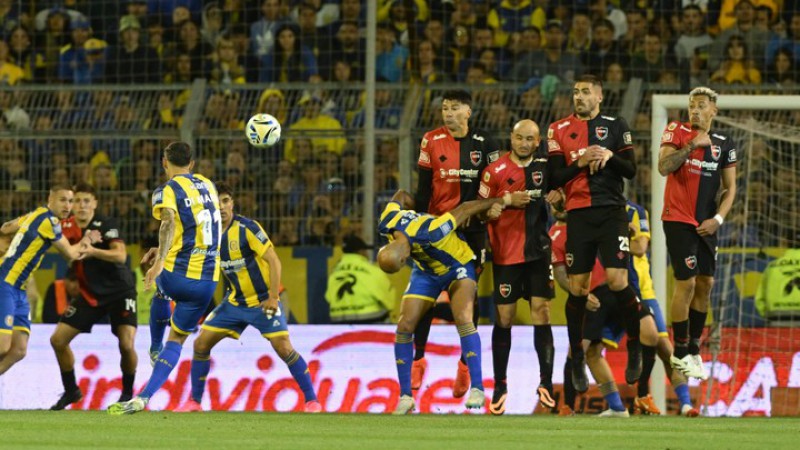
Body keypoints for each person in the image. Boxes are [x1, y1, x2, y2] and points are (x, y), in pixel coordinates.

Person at [174, 183, 320, 413]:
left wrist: (273, 297)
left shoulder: (247, 228)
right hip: (234, 303)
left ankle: (312, 401)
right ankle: (194, 402)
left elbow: (274, 260)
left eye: (225, 201)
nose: (221, 207)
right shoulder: (206, 234)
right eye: (216, 202)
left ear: (232, 203)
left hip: (263, 301)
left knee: (283, 347)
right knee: (201, 344)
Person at [108, 141, 221, 415]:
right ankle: (144, 397)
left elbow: (169, 221)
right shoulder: (208, 184)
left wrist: (159, 261)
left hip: (178, 275)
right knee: (178, 340)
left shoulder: (166, 190)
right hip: (208, 283)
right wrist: (165, 250)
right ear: (192, 164)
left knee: (162, 287)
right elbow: (196, 225)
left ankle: (154, 346)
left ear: (164, 162)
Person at [546, 74, 641, 394]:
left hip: (612, 212)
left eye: (586, 92)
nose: (579, 97)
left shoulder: (616, 125)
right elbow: (553, 177)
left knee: (618, 281)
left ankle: (636, 348)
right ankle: (575, 358)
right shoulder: (557, 130)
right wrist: (580, 161)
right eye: (575, 92)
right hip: (579, 216)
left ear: (599, 96)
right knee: (577, 288)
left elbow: (631, 170)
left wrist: (610, 157)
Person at [377, 189, 510, 414]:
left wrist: (502, 200)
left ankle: (477, 388)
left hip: (457, 264)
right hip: (426, 269)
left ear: (403, 259)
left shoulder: (432, 231)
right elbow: (400, 195)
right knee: (404, 326)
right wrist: (417, 206)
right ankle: (405, 396)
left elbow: (465, 209)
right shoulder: (387, 221)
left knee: (463, 317)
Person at [412, 89, 502, 399]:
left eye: (455, 108)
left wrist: (490, 207)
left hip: (473, 231)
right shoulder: (430, 141)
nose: (448, 113)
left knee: (468, 299)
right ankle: (417, 359)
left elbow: (496, 183)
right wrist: (419, 226)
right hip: (438, 230)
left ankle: (465, 364)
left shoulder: (485, 144)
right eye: (445, 108)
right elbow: (423, 189)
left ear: (469, 111)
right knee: (426, 295)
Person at [477, 119, 558, 415]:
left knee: (542, 311)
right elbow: (479, 211)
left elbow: (559, 198)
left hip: (538, 253)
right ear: (511, 138)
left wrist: (558, 199)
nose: (524, 143)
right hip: (506, 255)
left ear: (538, 142)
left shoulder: (544, 168)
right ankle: (500, 384)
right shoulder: (493, 171)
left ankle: (546, 383)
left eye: (530, 139)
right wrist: (499, 204)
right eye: (519, 138)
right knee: (505, 317)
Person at [657, 87, 737, 380]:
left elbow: (730, 189)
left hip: (707, 224)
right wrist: (691, 146)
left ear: (713, 110)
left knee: (706, 283)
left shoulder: (724, 143)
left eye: (701, 106)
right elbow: (663, 167)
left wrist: (718, 218)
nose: (695, 111)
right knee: (687, 282)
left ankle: (693, 349)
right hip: (678, 219)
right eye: (692, 106)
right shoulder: (676, 130)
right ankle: (678, 352)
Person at [49, 183, 138, 410]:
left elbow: (120, 256)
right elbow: (68, 253)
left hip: (120, 290)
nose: (80, 206)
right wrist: (84, 243)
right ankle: (71, 391)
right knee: (58, 340)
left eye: (86, 201)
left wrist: (92, 250)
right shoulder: (64, 226)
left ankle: (127, 394)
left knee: (126, 344)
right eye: (76, 201)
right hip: (89, 293)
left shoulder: (106, 224)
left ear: (95, 204)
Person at [0, 185, 98, 377]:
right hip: (6, 283)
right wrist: (88, 239)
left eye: (70, 201)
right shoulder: (49, 220)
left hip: (19, 290)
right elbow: (71, 254)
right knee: (3, 347)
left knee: (19, 350)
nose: (68, 206)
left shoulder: (35, 214)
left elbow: (5, 228)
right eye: (62, 200)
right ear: (50, 199)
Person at [618, 199, 699, 417]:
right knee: (588, 346)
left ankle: (685, 404)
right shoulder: (595, 211)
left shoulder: (635, 211)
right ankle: (572, 403)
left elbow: (640, 247)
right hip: (611, 290)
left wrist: (618, 238)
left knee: (664, 346)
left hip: (642, 292)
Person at [549, 200, 630, 417]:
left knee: (576, 352)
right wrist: (583, 296)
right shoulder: (558, 234)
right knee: (592, 352)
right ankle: (617, 407)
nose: (562, 206)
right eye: (558, 204)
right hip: (601, 295)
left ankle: (568, 407)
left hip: (605, 294)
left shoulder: (585, 223)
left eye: (564, 201)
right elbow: (560, 275)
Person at [325, 234, 395, 324]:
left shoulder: (334, 273)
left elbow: (328, 297)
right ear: (361, 251)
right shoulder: (372, 271)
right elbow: (389, 301)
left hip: (338, 320)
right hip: (369, 318)